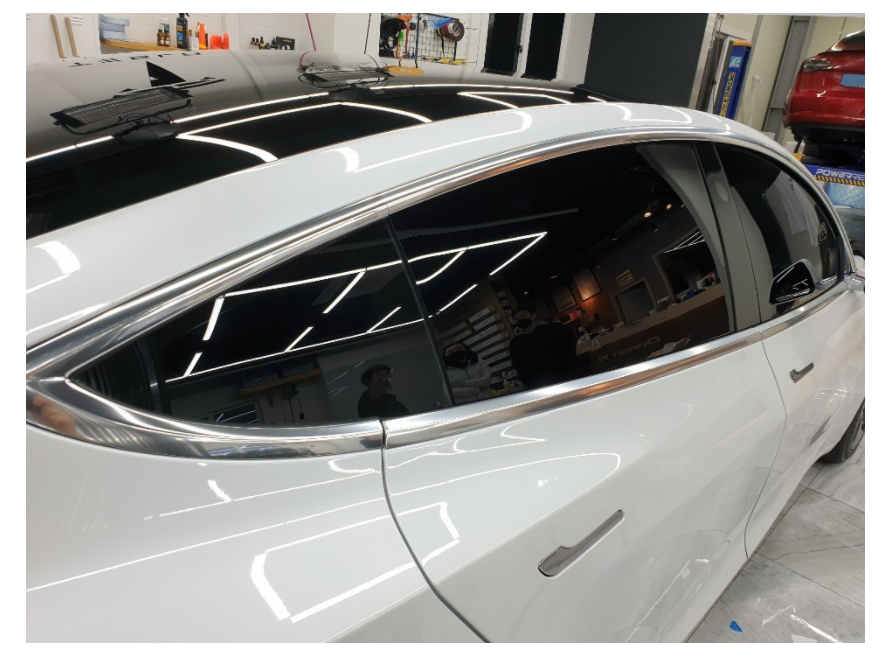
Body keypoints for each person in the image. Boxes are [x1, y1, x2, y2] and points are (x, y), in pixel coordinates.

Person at [509, 306, 578, 390]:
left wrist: (571, 369)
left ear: (533, 315)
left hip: (566, 377)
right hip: (539, 385)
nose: (520, 320)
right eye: (517, 319)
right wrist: (529, 384)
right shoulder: (515, 343)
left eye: (523, 316)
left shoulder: (555, 329)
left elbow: (570, 348)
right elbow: (519, 366)